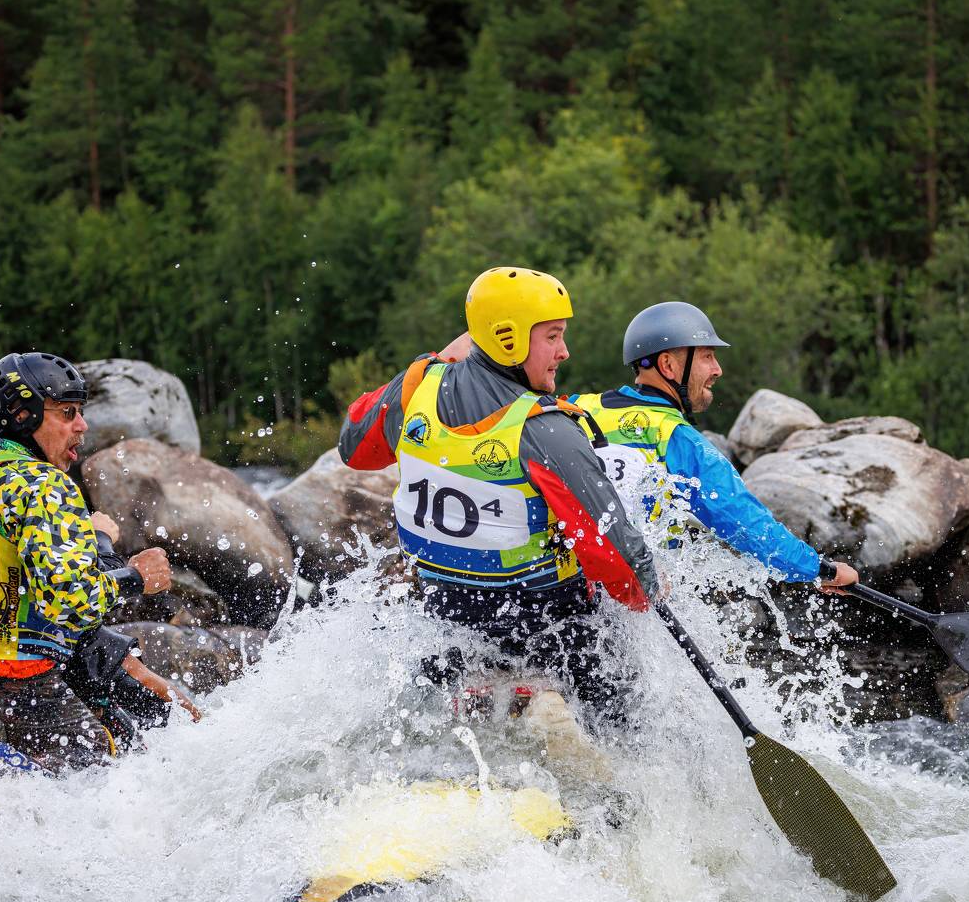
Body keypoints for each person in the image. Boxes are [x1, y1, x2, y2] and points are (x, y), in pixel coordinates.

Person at [338, 267, 659, 756]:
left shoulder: (417, 388)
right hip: (551, 629)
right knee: (620, 643)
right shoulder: (546, 430)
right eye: (552, 336)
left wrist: (436, 360)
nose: (564, 352)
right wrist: (650, 584)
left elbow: (353, 447)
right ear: (508, 340)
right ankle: (629, 758)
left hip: (446, 625)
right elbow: (617, 560)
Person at [0, 352, 196, 773]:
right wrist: (136, 577)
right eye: (67, 413)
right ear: (22, 415)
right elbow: (72, 602)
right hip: (14, 688)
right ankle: (16, 765)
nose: (82, 426)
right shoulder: (40, 481)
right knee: (110, 773)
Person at [569, 301, 860, 591]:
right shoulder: (676, 438)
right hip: (632, 597)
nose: (717, 369)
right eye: (707, 356)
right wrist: (820, 570)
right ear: (668, 365)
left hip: (570, 584)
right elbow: (744, 523)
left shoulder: (575, 408)